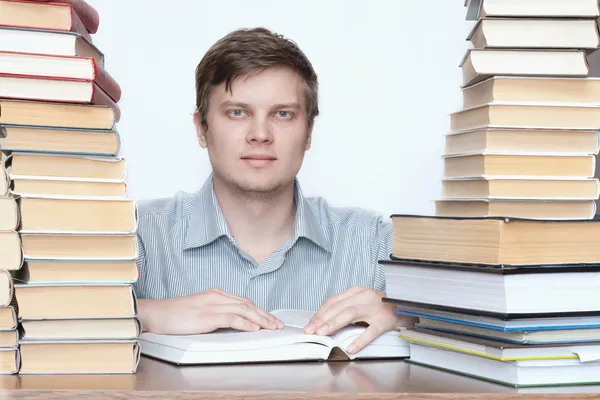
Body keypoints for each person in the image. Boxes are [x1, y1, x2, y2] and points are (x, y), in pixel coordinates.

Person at [134, 27, 415, 354]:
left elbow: (482, 316)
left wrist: (406, 312)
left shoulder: (372, 242)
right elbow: (60, 320)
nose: (260, 134)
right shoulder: (138, 236)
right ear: (201, 128)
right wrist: (143, 313)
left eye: (282, 114)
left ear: (308, 132)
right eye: (237, 112)